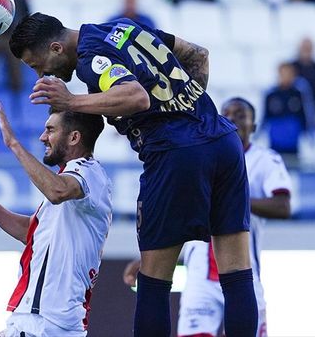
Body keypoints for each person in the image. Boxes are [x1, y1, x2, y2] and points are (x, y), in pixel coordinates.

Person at [9, 13, 257, 336]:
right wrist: (186, 114)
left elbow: (137, 97)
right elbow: (198, 54)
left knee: (153, 281)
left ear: (56, 48)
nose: (42, 74)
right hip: (223, 140)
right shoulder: (123, 27)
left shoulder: (90, 59)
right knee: (237, 272)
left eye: (37, 65)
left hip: (173, 153)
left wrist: (71, 100)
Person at [124, 97, 292, 337]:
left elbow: (283, 205)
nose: (233, 118)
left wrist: (232, 198)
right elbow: (186, 219)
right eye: (227, 113)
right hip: (199, 274)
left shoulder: (266, 160)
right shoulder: (197, 153)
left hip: (243, 270)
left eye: (241, 114)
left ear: (254, 126)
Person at [0, 102, 111, 336]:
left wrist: (13, 144)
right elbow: (31, 233)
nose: (42, 137)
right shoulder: (67, 181)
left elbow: (57, 192)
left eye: (50, 130)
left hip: (52, 324)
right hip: (29, 319)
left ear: (74, 138)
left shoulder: (90, 173)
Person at [262, 62, 315, 162]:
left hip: (293, 140)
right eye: (283, 74)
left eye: (289, 74)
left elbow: (305, 116)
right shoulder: (271, 95)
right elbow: (265, 116)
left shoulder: (298, 94)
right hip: (275, 140)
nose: (286, 77)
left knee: (293, 167)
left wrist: (309, 134)